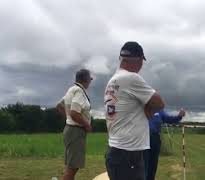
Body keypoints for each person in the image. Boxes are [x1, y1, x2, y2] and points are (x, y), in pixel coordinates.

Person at [104, 41, 165, 180]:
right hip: (128, 154)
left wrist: (145, 107)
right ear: (138, 59)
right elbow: (160, 103)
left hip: (117, 151)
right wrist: (148, 109)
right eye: (142, 61)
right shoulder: (131, 78)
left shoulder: (113, 80)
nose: (141, 66)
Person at [56, 69, 93, 180]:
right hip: (76, 131)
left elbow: (59, 105)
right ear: (86, 79)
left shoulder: (71, 90)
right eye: (90, 79)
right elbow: (74, 113)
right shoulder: (79, 92)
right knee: (73, 167)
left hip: (70, 130)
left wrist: (68, 119)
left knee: (71, 166)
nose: (90, 82)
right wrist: (87, 125)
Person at [144, 109, 186, 180]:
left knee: (153, 163)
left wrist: (179, 116)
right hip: (142, 138)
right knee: (143, 163)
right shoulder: (141, 107)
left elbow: (169, 119)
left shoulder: (159, 110)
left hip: (155, 138)